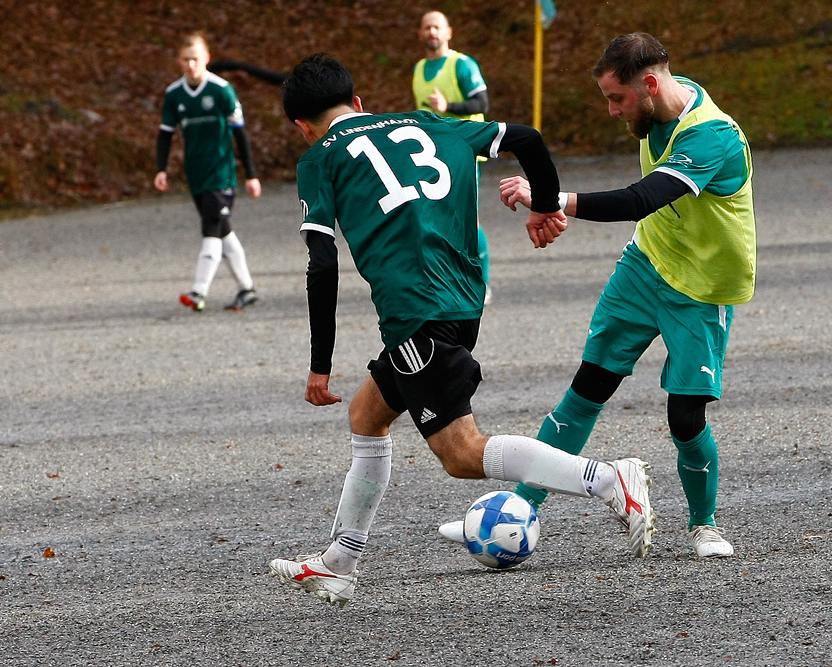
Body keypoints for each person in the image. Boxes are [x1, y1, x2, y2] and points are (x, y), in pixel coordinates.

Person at [267, 53, 655, 606]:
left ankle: (608, 480)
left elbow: (321, 264)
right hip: (460, 301)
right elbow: (527, 136)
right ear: (357, 103)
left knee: (461, 453)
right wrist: (543, 206)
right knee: (367, 414)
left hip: (415, 313)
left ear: (304, 127)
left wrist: (319, 364)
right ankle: (339, 562)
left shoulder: (319, 159)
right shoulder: (429, 122)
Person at [441, 33, 755, 559]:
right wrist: (551, 205)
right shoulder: (663, 106)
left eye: (618, 98)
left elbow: (640, 199)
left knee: (685, 417)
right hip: (645, 266)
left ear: (649, 85)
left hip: (702, 290)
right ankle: (519, 512)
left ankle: (704, 525)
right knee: (585, 391)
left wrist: (547, 197)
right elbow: (639, 208)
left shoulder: (712, 137)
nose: (612, 111)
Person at [154, 32, 261, 312]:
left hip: (221, 174)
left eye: (196, 59)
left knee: (211, 229)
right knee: (223, 230)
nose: (191, 65)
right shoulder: (174, 94)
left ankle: (199, 292)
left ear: (207, 59)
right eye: (186, 60)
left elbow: (240, 134)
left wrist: (251, 174)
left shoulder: (222, 90)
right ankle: (247, 289)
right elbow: (165, 135)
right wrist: (161, 169)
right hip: (196, 174)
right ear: (179, 61)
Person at [413, 10, 493, 305]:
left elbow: (481, 101)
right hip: (432, 156)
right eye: (426, 28)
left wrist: (449, 105)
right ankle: (447, 280)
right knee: (435, 218)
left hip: (464, 151)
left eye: (436, 27)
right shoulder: (419, 69)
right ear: (420, 34)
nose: (431, 32)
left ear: (449, 32)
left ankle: (481, 283)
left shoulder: (461, 64)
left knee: (467, 219)